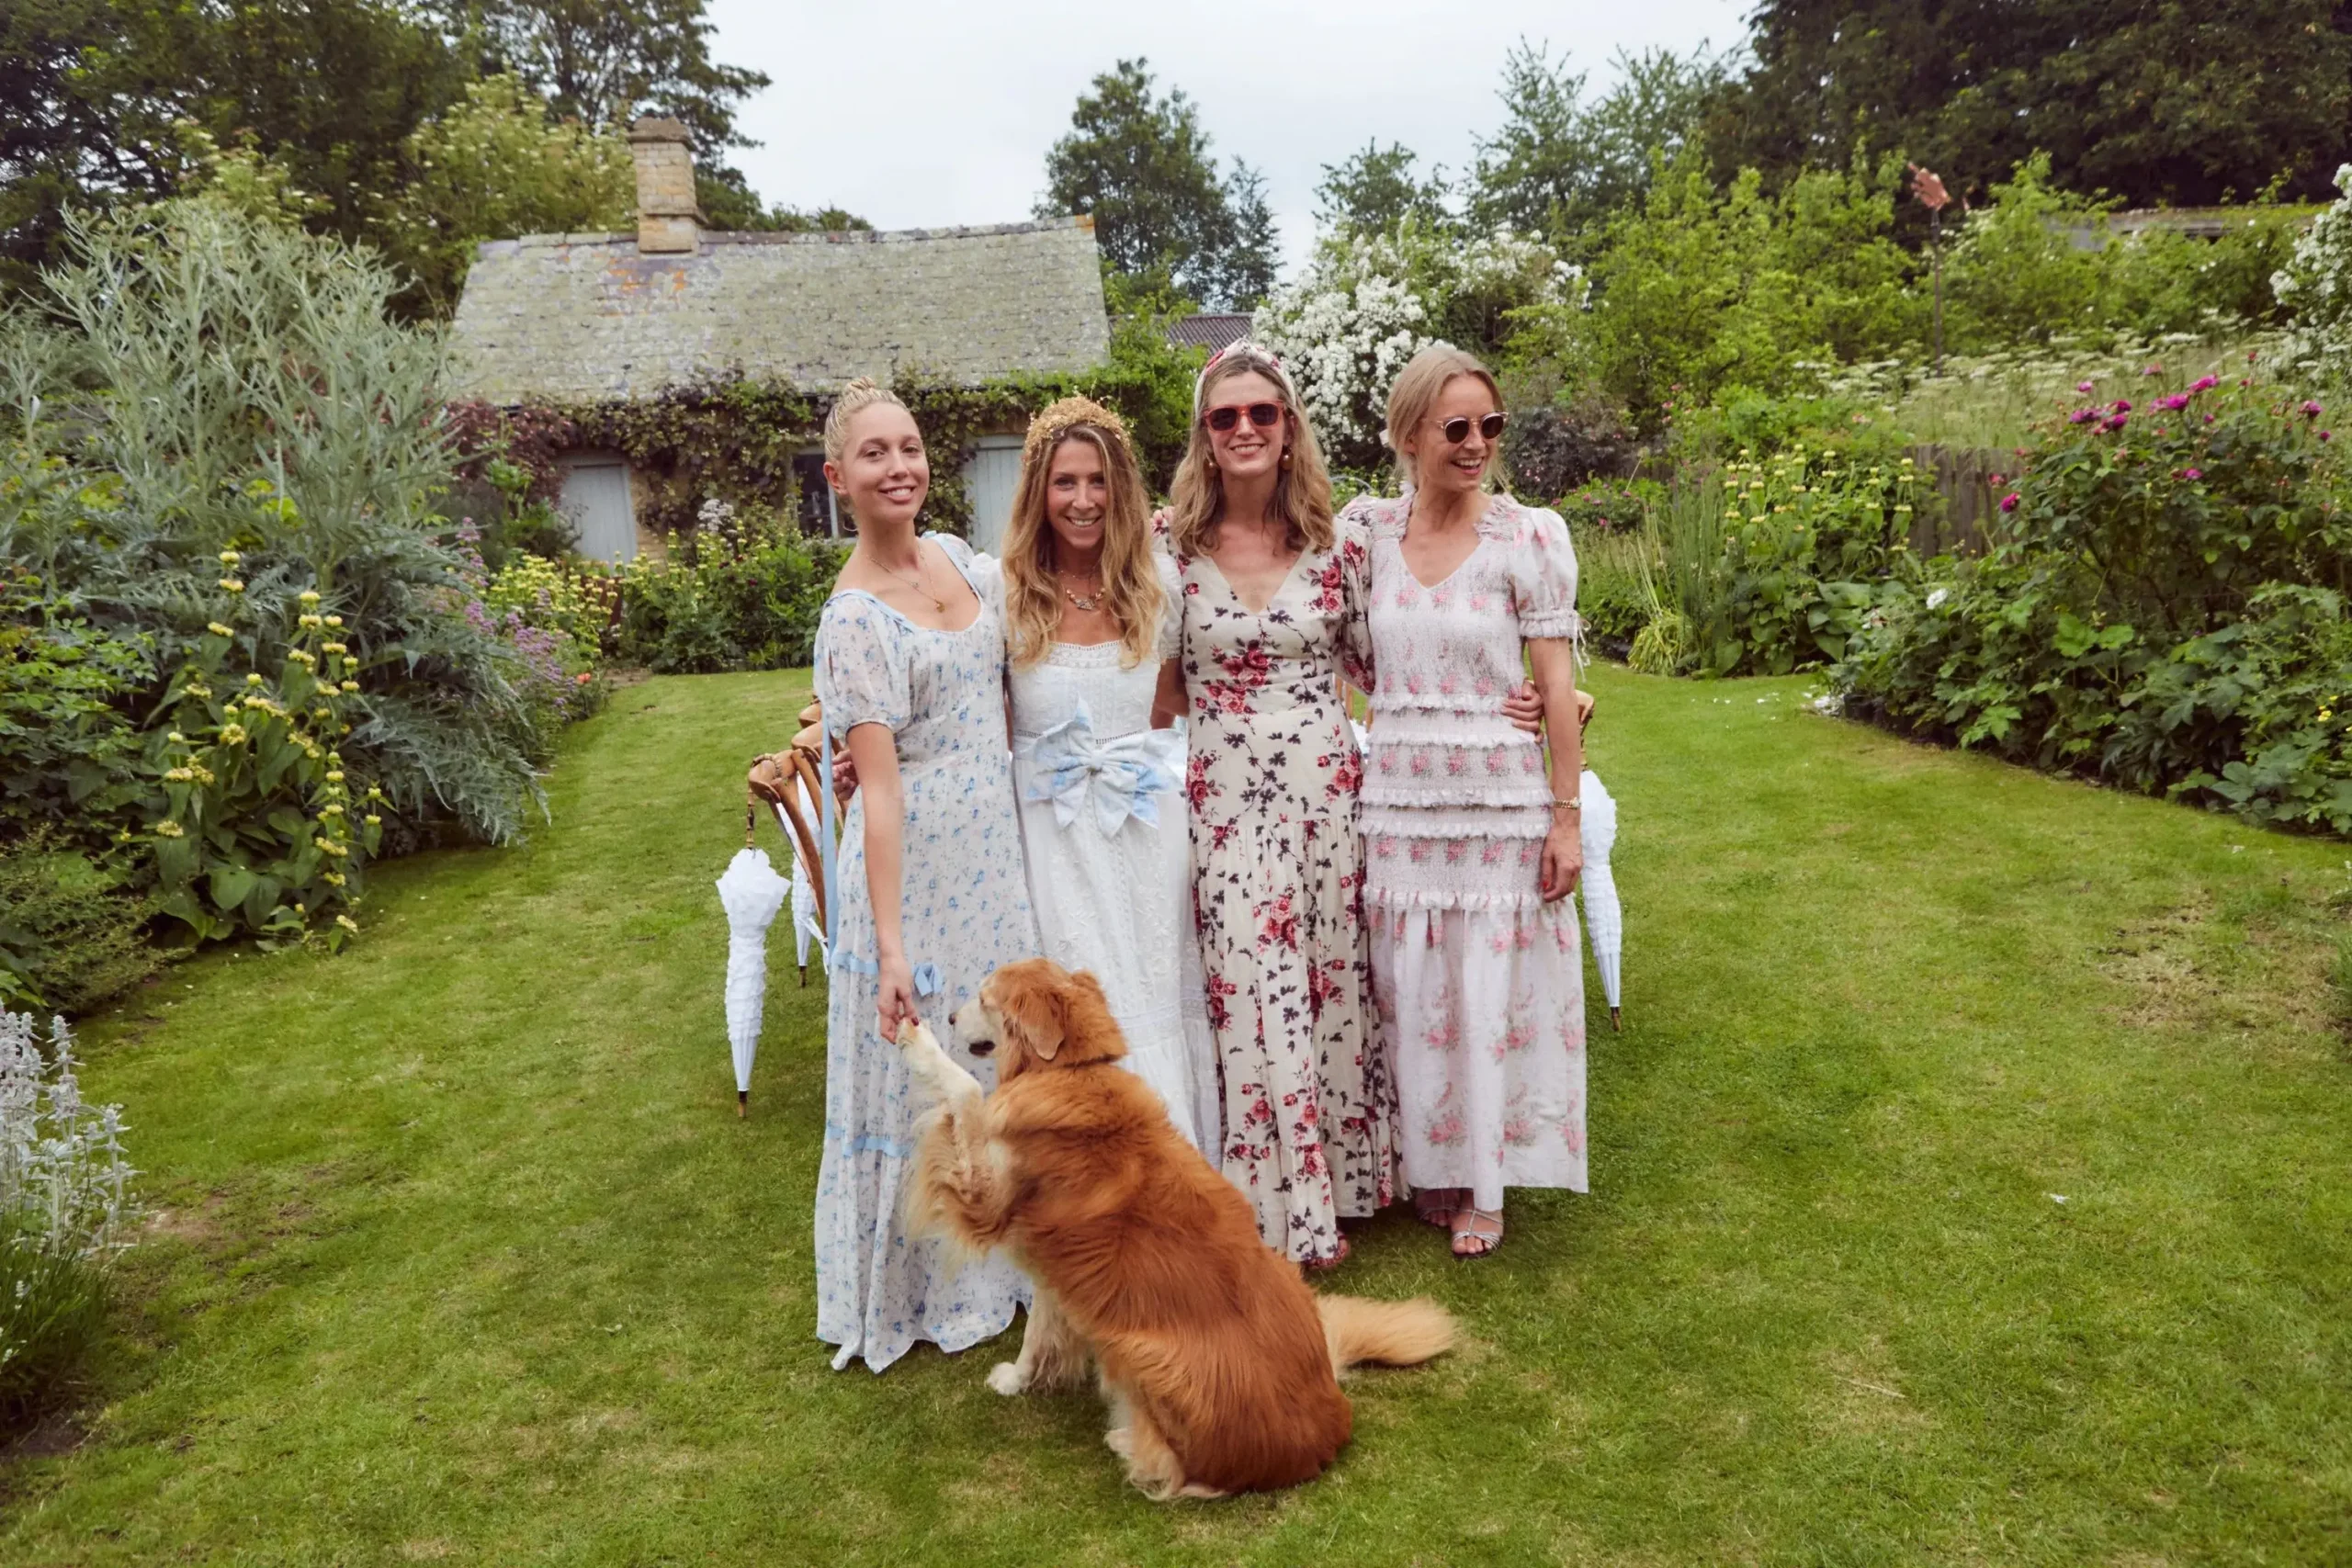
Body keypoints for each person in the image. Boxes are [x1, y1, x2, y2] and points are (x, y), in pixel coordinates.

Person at [1152, 344, 1394, 1269]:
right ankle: (1274, 1200)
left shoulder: (1339, 548)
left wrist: (1535, 695)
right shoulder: (1173, 551)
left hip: (1327, 802)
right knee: (1253, 993)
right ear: (1205, 439)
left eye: (1262, 413)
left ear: (1289, 427)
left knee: (1330, 985)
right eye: (1226, 417)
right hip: (1223, 805)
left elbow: (1384, 674)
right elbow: (1149, 687)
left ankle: (1341, 1181)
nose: (1245, 429)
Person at [809, 378, 1034, 1371]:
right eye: (873, 454)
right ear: (837, 479)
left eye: (908, 446)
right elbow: (881, 796)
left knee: (995, 1062)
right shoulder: (854, 619)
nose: (897, 466)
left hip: (995, 857)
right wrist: (889, 946)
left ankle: (1004, 1255)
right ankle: (923, 1284)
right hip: (914, 868)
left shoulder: (957, 559)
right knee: (925, 1075)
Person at [1348, 345, 1588, 1260]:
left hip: (1498, 804)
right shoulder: (1365, 532)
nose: (1477, 442)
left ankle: (1487, 1182)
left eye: (1490, 425)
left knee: (1486, 993)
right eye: (1456, 428)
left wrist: (1564, 815)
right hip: (1400, 800)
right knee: (1413, 991)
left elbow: (1555, 683)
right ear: (1408, 434)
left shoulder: (1528, 537)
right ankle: (1427, 1160)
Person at [1000, 396, 1219, 1151]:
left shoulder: (1158, 588)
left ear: (1121, 491)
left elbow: (1175, 703)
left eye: (1098, 481)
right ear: (1039, 492)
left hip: (1144, 830)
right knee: (1079, 999)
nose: (1084, 500)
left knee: (1151, 990)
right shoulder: (1004, 594)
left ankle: (1173, 1167)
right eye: (1065, 482)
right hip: (1051, 840)